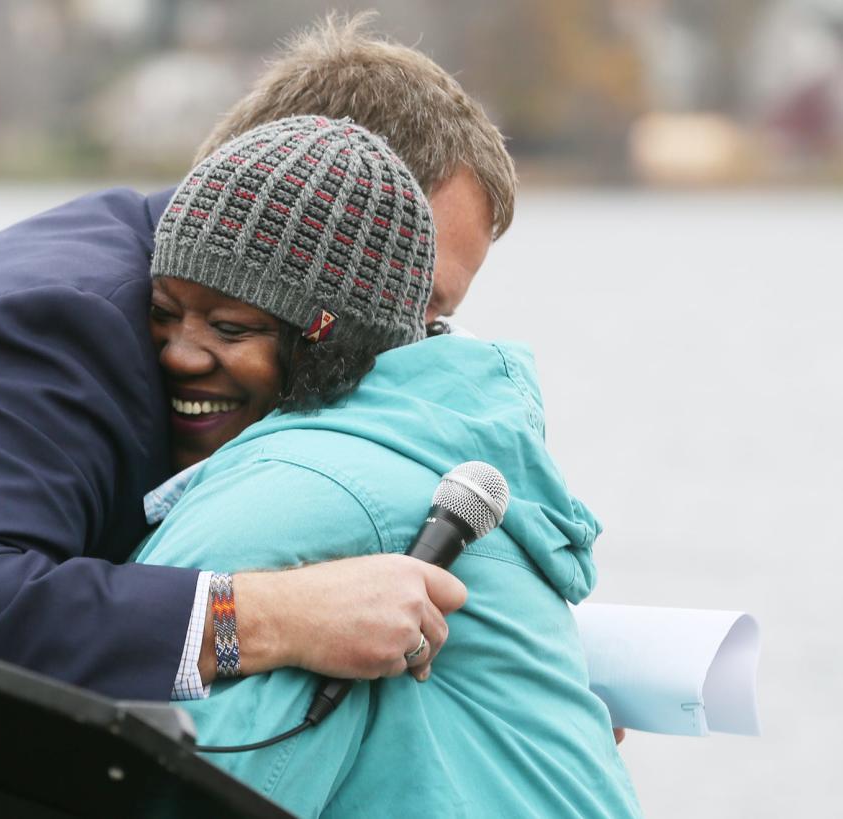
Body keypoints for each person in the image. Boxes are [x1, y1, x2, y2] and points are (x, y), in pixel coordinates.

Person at [0, 13, 514, 702]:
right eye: (413, 297)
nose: (410, 341)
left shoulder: (183, 298)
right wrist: (272, 618)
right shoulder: (66, 320)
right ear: (317, 194)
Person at [133, 116, 641, 818]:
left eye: (229, 327)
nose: (178, 353)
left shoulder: (297, 491)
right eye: (162, 313)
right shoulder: (432, 439)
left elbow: (149, 779)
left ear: (326, 344)